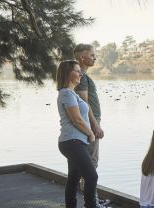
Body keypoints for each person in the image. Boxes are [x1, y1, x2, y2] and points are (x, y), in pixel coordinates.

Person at [55, 60, 103, 208]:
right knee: (91, 175)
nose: (80, 74)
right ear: (68, 73)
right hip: (72, 142)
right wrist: (91, 133)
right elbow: (76, 119)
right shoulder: (66, 94)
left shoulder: (71, 93)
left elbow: (81, 115)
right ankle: (91, 206)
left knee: (74, 179)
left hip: (75, 142)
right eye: (77, 71)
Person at [74, 43, 109, 206]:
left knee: (86, 163)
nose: (95, 57)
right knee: (91, 162)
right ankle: (92, 201)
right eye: (92, 55)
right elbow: (84, 102)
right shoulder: (80, 76)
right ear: (82, 57)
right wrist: (95, 126)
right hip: (89, 124)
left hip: (89, 123)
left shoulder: (82, 76)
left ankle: (89, 198)